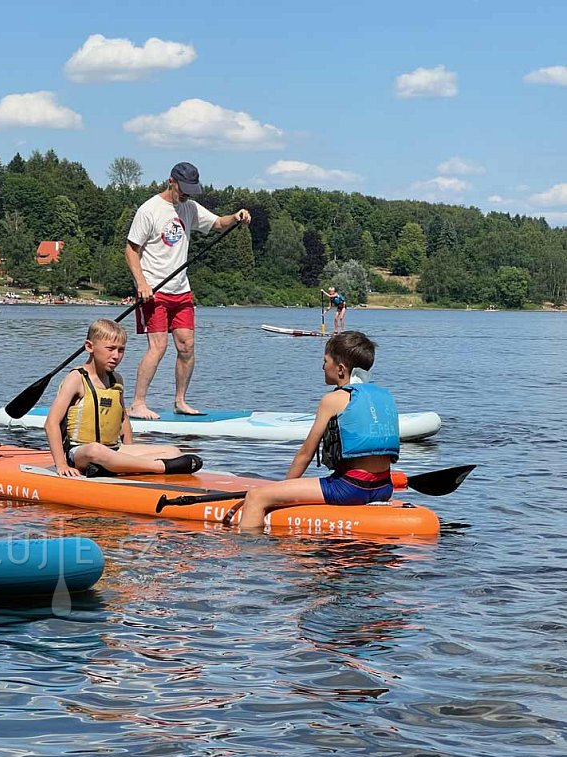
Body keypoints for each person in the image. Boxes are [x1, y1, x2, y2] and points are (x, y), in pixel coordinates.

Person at [124, 161, 251, 420]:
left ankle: (180, 401)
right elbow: (131, 250)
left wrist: (235, 217)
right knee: (158, 347)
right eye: (183, 189)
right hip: (154, 290)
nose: (186, 195)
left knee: (187, 346)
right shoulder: (149, 210)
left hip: (181, 290)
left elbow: (217, 223)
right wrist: (141, 283)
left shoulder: (189, 207)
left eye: (190, 190)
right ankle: (138, 403)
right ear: (171, 181)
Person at [236, 331, 399, 530]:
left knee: (256, 496)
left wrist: (281, 491)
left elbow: (306, 454)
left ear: (340, 369)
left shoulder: (332, 400)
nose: (322, 366)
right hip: (383, 487)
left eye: (325, 361)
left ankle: (248, 555)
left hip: (349, 488)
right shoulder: (384, 397)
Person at [45, 318, 203, 478]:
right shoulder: (76, 378)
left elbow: (123, 419)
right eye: (110, 349)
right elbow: (51, 423)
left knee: (173, 451)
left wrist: (129, 455)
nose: (116, 356)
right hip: (80, 452)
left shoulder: (116, 380)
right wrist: (62, 464)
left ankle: (115, 466)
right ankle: (158, 467)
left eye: (121, 350)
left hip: (113, 449)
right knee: (95, 450)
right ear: (89, 347)